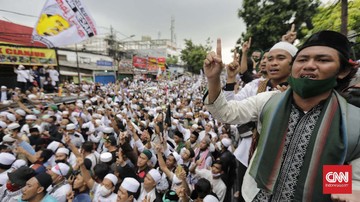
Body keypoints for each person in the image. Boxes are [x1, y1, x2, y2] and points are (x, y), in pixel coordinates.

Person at [203, 31, 360, 201]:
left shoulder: (350, 121)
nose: (309, 65)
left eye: (322, 60)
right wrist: (213, 79)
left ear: (343, 71)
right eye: (303, 59)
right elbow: (225, 113)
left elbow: (346, 171)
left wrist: (344, 189)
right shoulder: (269, 101)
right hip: (255, 195)